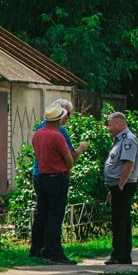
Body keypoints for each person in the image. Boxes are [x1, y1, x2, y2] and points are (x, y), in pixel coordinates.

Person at [29, 99, 87, 259]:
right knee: (55, 215)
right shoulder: (58, 135)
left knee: (41, 213)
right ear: (59, 119)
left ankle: (36, 249)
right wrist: (78, 152)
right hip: (57, 178)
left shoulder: (38, 134)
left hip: (40, 177)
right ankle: (54, 251)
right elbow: (69, 160)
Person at [103, 112, 138, 265]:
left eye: (110, 124)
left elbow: (128, 164)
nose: (108, 128)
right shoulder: (119, 140)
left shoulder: (128, 140)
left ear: (118, 124)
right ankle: (124, 255)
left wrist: (120, 185)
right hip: (119, 185)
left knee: (119, 220)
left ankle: (118, 254)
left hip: (124, 185)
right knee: (121, 219)